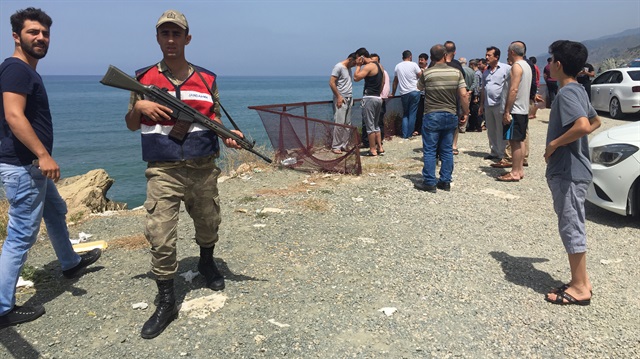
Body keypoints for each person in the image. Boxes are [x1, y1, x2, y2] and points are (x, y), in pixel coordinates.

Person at [124, 9, 243, 339]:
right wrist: (139, 107)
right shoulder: (142, 79)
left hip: (203, 167)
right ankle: (166, 300)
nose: (171, 39)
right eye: (165, 33)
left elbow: (214, 117)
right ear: (158, 38)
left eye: (177, 34)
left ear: (187, 38)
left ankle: (206, 262)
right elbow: (131, 124)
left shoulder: (206, 79)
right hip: (163, 170)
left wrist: (229, 135)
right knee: (160, 234)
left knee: (209, 222)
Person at [0, 7, 102, 329]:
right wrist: (44, 155)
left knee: (55, 210)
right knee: (20, 236)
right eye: (33, 32)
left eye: (45, 33)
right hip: (25, 166)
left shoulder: (25, 71)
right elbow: (14, 116)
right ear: (17, 36)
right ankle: (2, 308)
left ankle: (70, 262)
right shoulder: (16, 70)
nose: (41, 38)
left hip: (30, 167)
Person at [543, 40, 600, 306]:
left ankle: (579, 287)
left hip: (567, 170)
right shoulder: (577, 89)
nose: (549, 63)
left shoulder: (566, 94)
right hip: (576, 167)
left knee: (570, 225)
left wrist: (554, 144)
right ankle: (582, 280)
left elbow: (583, 126)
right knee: (573, 221)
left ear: (559, 65)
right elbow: (595, 120)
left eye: (551, 59)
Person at [414, 44, 469, 193]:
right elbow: (463, 95)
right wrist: (466, 112)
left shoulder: (427, 73)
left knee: (430, 150)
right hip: (450, 114)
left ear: (431, 58)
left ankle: (430, 182)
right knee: (447, 150)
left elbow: (419, 88)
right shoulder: (456, 72)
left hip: (432, 114)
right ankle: (445, 181)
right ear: (445, 55)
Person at [495, 41, 532, 182]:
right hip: (522, 108)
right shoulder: (526, 65)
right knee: (520, 140)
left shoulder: (516, 66)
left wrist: (507, 111)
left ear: (511, 52)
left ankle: (515, 172)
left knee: (515, 141)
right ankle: (520, 169)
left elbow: (514, 89)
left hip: (515, 109)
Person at [479, 46, 510, 161]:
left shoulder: (506, 69)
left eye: (489, 55)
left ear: (496, 57)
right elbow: (484, 88)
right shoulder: (486, 72)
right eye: (486, 55)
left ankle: (502, 153)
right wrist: (481, 104)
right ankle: (494, 151)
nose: (486, 57)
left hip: (500, 104)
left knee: (500, 129)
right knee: (491, 129)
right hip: (488, 104)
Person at [354, 48, 384, 156]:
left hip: (369, 98)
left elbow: (356, 77)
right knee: (376, 125)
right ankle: (380, 147)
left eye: (357, 57)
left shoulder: (369, 66)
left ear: (361, 57)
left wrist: (358, 66)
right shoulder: (379, 66)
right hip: (378, 97)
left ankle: (372, 149)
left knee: (370, 126)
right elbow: (383, 81)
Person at [329, 52, 356, 154]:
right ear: (350, 59)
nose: (355, 66)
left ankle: (344, 144)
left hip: (349, 97)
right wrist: (338, 96)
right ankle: (336, 146)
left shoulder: (349, 69)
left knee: (347, 123)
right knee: (339, 123)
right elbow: (331, 82)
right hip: (341, 98)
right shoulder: (338, 67)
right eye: (354, 63)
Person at [391, 50, 421, 139]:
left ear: (402, 57)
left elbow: (395, 81)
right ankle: (410, 133)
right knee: (413, 113)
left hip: (404, 92)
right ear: (410, 56)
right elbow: (421, 76)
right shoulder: (414, 65)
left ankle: (404, 134)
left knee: (405, 113)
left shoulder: (398, 66)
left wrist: (393, 92)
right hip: (414, 91)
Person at [415, 52, 429, 136]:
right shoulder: (416, 69)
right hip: (418, 93)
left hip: (427, 93)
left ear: (426, 60)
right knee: (419, 112)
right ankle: (418, 129)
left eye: (422, 60)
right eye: (419, 59)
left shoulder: (429, 69)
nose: (420, 61)